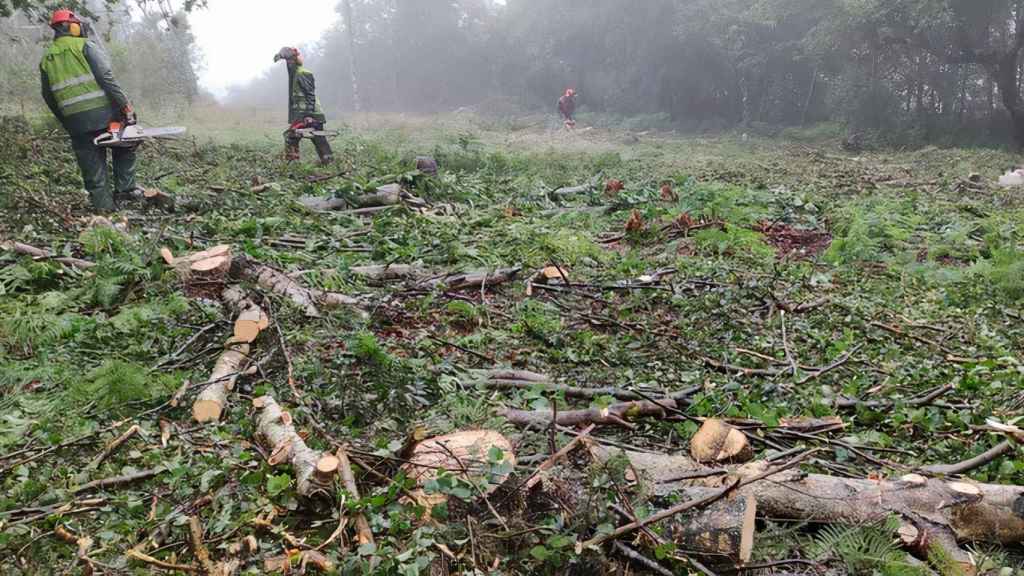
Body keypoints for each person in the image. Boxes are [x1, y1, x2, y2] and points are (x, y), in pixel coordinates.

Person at [40, 9, 140, 212]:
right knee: (126, 143)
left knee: (92, 166)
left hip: (75, 122)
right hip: (104, 116)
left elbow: (48, 96)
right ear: (71, 26)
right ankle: (125, 194)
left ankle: (104, 210)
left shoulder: (46, 59)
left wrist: (66, 120)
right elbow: (106, 78)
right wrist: (125, 105)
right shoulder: (84, 46)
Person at [274, 47, 334, 164]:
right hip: (303, 114)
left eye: (289, 60)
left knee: (292, 136)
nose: (288, 63)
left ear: (294, 60)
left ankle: (293, 164)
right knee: (317, 138)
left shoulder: (303, 74)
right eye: (286, 61)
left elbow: (310, 95)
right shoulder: (295, 74)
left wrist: (309, 115)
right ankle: (328, 161)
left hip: (310, 113)